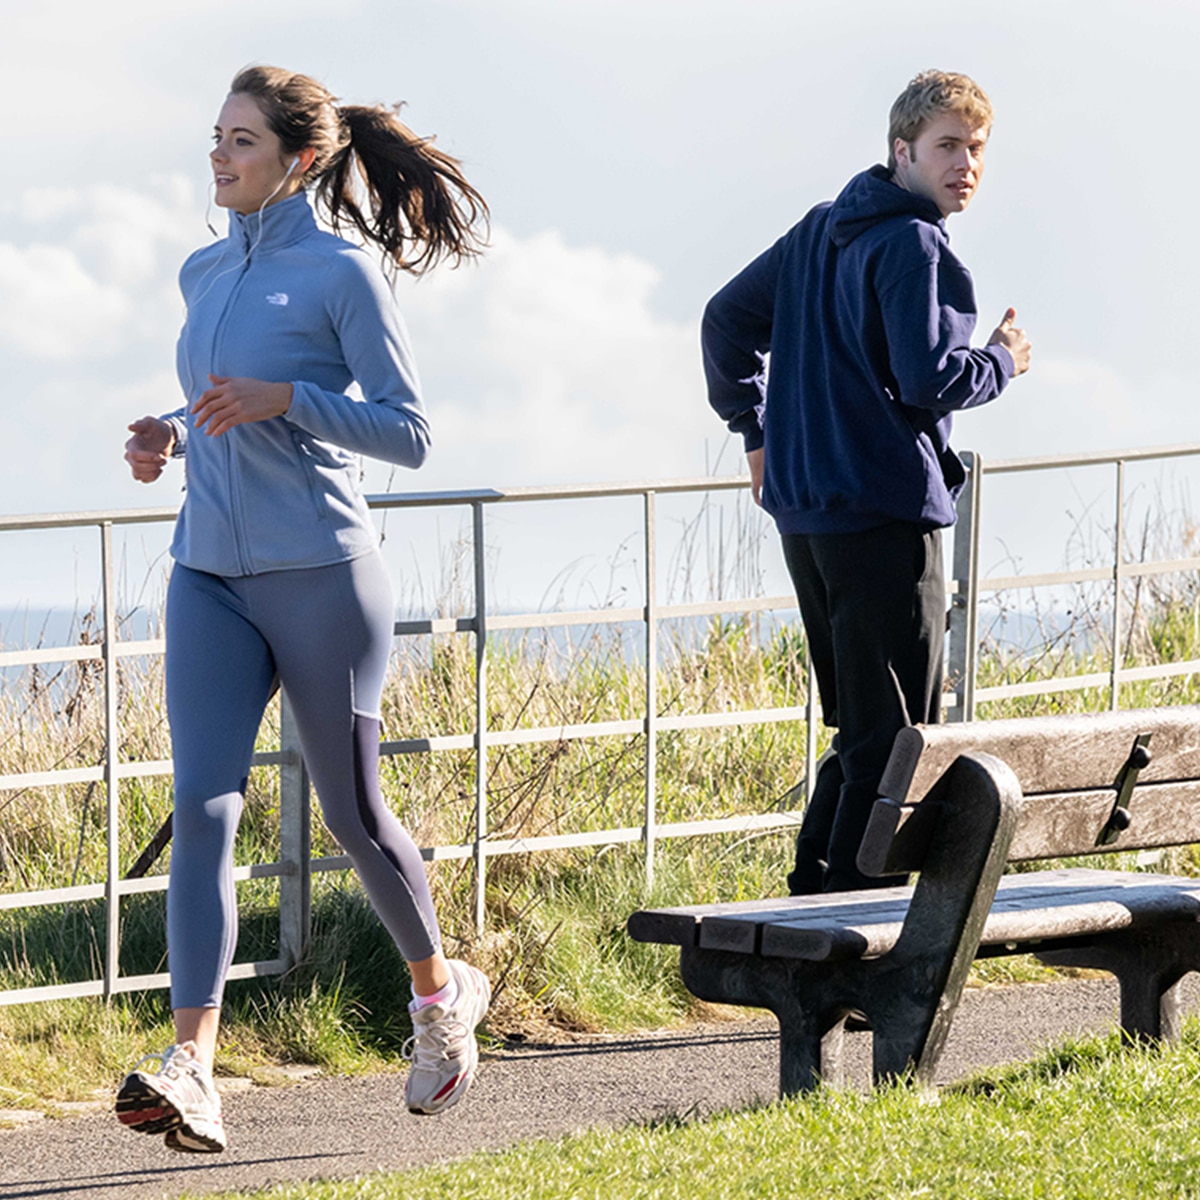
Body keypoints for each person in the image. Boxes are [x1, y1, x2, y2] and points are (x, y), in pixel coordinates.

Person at [115, 65, 491, 1153]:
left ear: (301, 160)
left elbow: (410, 433)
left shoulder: (343, 275)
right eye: (216, 138)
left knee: (352, 814)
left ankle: (436, 996)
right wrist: (171, 437)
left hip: (325, 575)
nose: (220, 157)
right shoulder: (200, 272)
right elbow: (217, 404)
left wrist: (292, 401)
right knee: (205, 810)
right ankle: (194, 1066)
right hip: (208, 576)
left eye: (242, 141)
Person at [701, 70, 1032, 896]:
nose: (966, 165)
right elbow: (930, 378)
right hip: (884, 514)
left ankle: (814, 890)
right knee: (896, 733)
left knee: (863, 722)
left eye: (977, 148)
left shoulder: (822, 229)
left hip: (807, 517)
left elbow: (724, 321)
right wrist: (1002, 362)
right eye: (948, 146)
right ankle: (844, 911)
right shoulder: (915, 243)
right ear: (902, 151)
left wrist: (759, 436)